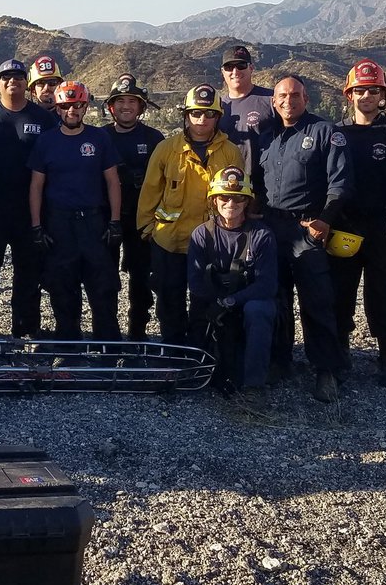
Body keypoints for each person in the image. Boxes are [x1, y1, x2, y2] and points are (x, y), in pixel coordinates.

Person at [258, 74, 352, 403]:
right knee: (276, 299)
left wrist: (325, 220)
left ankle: (326, 370)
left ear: (306, 98)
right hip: (271, 229)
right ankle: (279, 361)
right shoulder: (266, 136)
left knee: (317, 301)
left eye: (295, 95)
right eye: (282, 95)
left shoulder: (325, 132)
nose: (288, 100)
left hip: (308, 229)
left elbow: (340, 184)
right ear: (273, 100)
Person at [137, 85, 242, 345]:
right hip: (169, 241)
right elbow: (150, 190)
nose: (202, 120)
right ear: (186, 115)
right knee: (169, 300)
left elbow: (238, 197)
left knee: (204, 300)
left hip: (211, 244)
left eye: (208, 114)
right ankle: (173, 352)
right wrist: (147, 228)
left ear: (218, 116)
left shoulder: (230, 152)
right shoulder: (166, 149)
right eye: (196, 114)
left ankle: (199, 352)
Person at [329, 61, 386, 385]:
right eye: (359, 90)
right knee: (340, 292)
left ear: (382, 95)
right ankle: (340, 349)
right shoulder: (334, 134)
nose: (365, 95)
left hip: (383, 228)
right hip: (345, 225)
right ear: (349, 94)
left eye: (372, 90)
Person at [28, 81, 122, 344]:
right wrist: (36, 225)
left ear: (85, 107)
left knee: (103, 288)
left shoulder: (99, 138)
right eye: (66, 106)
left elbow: (113, 181)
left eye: (78, 105)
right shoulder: (46, 141)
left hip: (93, 221)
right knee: (62, 288)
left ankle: (108, 346)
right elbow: (36, 185)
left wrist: (115, 221)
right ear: (58, 109)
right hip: (59, 223)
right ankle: (69, 344)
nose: (72, 110)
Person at [0, 59, 56, 338]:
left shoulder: (44, 119)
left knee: (28, 274)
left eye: (19, 76)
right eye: (6, 76)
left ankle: (25, 329)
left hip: (30, 209)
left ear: (26, 82)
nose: (13, 81)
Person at [187, 166, 277, 405]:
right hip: (212, 302)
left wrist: (229, 302)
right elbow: (195, 282)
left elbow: (267, 285)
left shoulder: (262, 236)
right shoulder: (200, 234)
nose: (231, 203)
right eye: (224, 197)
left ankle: (254, 385)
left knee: (260, 310)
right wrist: (214, 303)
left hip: (245, 302)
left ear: (247, 202)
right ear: (214, 200)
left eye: (238, 198)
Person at [103, 74, 165, 340]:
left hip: (143, 221)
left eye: (132, 101)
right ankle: (108, 333)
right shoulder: (100, 136)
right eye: (120, 101)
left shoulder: (154, 138)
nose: (126, 106)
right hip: (106, 218)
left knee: (140, 280)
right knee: (105, 279)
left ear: (142, 107)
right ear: (111, 107)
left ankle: (137, 332)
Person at [218, 45, 275, 157]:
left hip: (264, 174)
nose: (235, 71)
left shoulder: (271, 99)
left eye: (241, 65)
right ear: (223, 72)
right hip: (225, 173)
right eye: (229, 67)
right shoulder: (217, 107)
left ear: (251, 68)